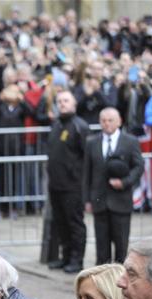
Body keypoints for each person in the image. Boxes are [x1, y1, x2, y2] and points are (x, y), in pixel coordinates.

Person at [82, 107, 144, 265]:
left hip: (121, 201)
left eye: (110, 120)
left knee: (121, 246)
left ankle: (120, 280)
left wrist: (124, 182)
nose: (107, 124)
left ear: (119, 121)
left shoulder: (130, 141)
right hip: (99, 202)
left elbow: (138, 167)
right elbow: (87, 173)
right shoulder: (92, 142)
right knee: (101, 246)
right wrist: (87, 200)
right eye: (103, 120)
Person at [45, 90, 90, 273]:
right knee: (60, 222)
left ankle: (76, 260)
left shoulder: (80, 126)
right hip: (56, 184)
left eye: (66, 101)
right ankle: (65, 257)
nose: (62, 104)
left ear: (74, 104)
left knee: (74, 223)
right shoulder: (56, 125)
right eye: (59, 101)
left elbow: (87, 158)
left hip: (73, 186)